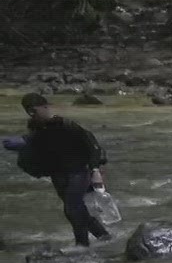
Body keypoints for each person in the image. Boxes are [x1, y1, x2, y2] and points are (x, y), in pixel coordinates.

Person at [15, 93, 112, 246]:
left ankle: (82, 245)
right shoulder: (35, 129)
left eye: (34, 110)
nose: (32, 115)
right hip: (58, 173)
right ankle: (103, 236)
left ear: (45, 107)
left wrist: (95, 171)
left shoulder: (66, 124)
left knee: (72, 208)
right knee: (76, 209)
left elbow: (92, 147)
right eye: (28, 112)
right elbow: (37, 152)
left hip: (80, 170)